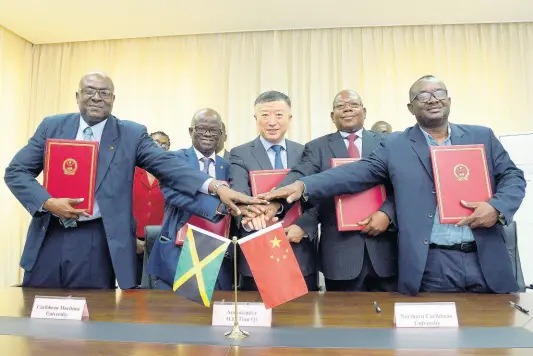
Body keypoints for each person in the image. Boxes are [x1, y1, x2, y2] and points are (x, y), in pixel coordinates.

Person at [260, 75, 526, 295]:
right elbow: (355, 172)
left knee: (493, 340)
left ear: (449, 100)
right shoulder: (397, 145)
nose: (432, 99)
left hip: (485, 258)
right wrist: (303, 187)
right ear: (411, 108)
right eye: (422, 95)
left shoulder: (482, 136)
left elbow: (513, 177)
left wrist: (497, 207)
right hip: (431, 264)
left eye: (438, 92)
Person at [4, 72, 264, 290]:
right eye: (90, 91)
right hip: (51, 231)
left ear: (113, 99)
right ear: (77, 96)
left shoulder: (130, 134)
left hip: (99, 238)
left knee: (93, 321)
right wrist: (48, 202)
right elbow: (16, 171)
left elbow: (168, 166)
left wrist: (215, 186)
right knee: (38, 312)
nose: (97, 97)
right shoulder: (52, 126)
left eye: (105, 93)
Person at [275, 90, 398, 292]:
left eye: (353, 104)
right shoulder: (316, 148)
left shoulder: (387, 143)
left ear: (365, 111)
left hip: (384, 251)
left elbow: (400, 186)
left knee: (387, 320)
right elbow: (304, 182)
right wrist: (276, 197)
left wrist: (387, 214)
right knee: (342, 320)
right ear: (332, 116)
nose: (347, 108)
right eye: (340, 106)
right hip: (341, 254)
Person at [229, 91, 319, 291]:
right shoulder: (240, 153)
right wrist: (250, 216)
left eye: (278, 115)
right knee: (258, 318)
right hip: (257, 248)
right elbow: (239, 193)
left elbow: (316, 197)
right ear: (255, 118)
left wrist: (304, 226)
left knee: (301, 319)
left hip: (299, 248)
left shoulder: (306, 151)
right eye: (265, 115)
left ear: (289, 118)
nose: (272, 122)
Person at [148, 108, 233, 290]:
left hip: (216, 253)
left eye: (213, 130)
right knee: (178, 314)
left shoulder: (229, 166)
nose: (207, 134)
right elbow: (173, 195)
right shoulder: (174, 159)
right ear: (190, 131)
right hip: (178, 251)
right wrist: (219, 207)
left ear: (221, 134)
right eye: (201, 129)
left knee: (213, 314)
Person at [132, 131, 170, 285]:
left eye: (164, 144)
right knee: (132, 290)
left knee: (156, 292)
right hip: (133, 243)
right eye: (155, 142)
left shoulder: (171, 175)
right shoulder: (132, 172)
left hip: (160, 243)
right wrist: (131, 239)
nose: (159, 146)